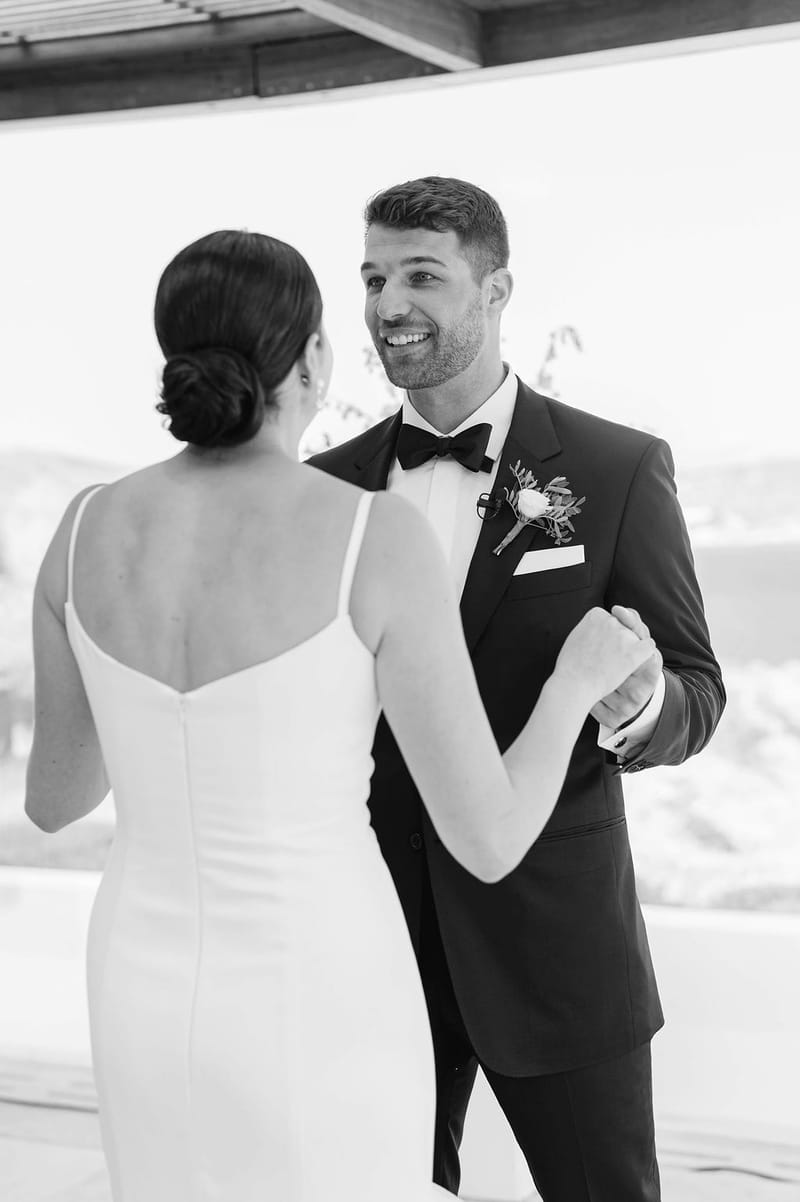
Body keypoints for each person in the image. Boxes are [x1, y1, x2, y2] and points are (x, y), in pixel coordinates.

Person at [24, 229, 654, 1202]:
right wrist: (574, 682)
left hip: (138, 978)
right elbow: (485, 836)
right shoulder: (370, 531)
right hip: (321, 983)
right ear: (314, 359)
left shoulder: (83, 527)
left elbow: (58, 798)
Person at [308, 176, 726, 1201]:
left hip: (558, 945)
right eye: (371, 279)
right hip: (375, 941)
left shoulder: (613, 468)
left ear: (496, 290)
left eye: (420, 276)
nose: (387, 304)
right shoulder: (320, 490)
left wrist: (630, 704)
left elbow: (694, 688)